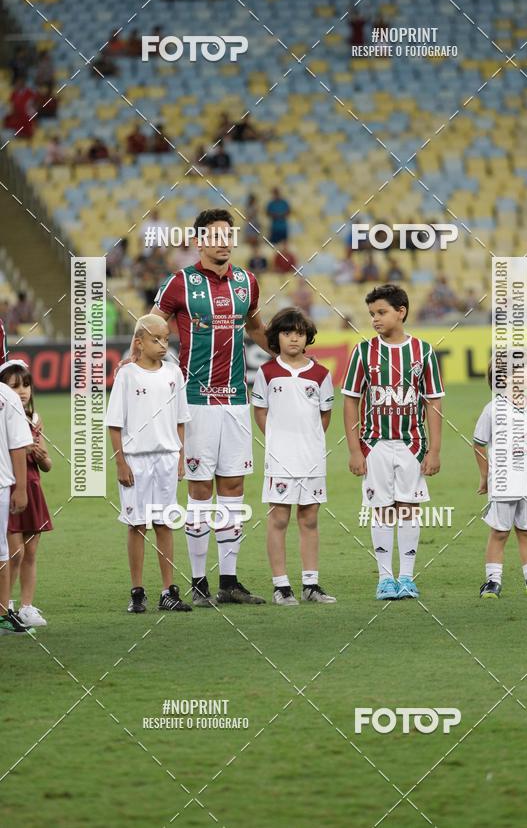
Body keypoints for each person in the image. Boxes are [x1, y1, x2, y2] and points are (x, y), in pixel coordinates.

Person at [152, 209, 270, 605]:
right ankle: (199, 583)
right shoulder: (180, 283)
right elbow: (152, 325)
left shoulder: (247, 281)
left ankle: (229, 582)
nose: (222, 242)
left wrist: (286, 354)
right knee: (201, 489)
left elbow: (254, 326)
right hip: (196, 400)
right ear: (199, 241)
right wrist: (149, 364)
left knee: (233, 488)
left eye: (227, 235)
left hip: (236, 398)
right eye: (213, 236)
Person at [342, 284, 444, 601]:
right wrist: (354, 449)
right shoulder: (362, 352)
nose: (375, 319)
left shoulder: (423, 351)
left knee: (409, 508)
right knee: (382, 510)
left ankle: (407, 577)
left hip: (413, 443)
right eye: (372, 314)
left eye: (381, 312)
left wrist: (435, 449)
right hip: (375, 444)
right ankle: (386, 578)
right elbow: (350, 401)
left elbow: (433, 402)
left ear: (401, 312)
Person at [106, 315, 192, 614]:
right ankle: (137, 591)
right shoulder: (127, 375)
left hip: (166, 458)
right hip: (137, 460)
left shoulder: (174, 374)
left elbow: (181, 420)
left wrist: (180, 456)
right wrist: (120, 462)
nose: (162, 345)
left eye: (166, 339)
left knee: (165, 523)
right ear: (139, 342)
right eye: (156, 339)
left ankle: (168, 590)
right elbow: (114, 424)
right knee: (137, 525)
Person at [252, 308, 336, 606]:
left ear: (307, 338)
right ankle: (281, 585)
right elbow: (260, 411)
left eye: (299, 333)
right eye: (287, 333)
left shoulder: (321, 374)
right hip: (280, 458)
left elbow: (324, 416)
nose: (293, 338)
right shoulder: (266, 372)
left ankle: (310, 584)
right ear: (276, 336)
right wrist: (276, 440)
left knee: (310, 518)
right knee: (279, 518)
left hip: (312, 458)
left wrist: (310, 441)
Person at [474, 355, 527, 599]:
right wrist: (486, 476)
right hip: (503, 482)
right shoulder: (492, 409)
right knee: (500, 532)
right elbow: (478, 445)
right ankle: (492, 582)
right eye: (524, 369)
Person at [1, 361, 52, 627]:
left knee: (30, 552)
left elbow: (47, 464)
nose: (22, 391)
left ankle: (27, 606)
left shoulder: (34, 420)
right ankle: (5, 603)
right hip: (11, 488)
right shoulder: (4, 417)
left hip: (33, 488)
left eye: (26, 385)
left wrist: (40, 454)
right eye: (14, 386)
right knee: (13, 553)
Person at [0, 374, 32, 636]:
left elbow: (18, 444)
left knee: (1, 552)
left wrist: (20, 488)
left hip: (0, 485)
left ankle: (1, 614)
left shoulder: (6, 396)